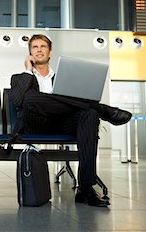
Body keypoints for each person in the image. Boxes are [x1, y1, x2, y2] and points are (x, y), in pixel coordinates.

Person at [9, 34, 132, 207]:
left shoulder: (63, 78)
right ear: (30, 53)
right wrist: (29, 71)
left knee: (89, 115)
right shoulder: (20, 77)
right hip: (34, 125)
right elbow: (16, 100)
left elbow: (71, 106)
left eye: (42, 46)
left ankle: (86, 189)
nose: (38, 50)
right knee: (29, 98)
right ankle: (102, 109)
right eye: (34, 47)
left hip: (61, 122)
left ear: (50, 52)